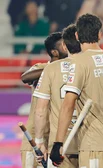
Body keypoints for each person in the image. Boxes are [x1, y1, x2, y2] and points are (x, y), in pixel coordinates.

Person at [49, 13, 103, 168]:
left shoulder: (79, 63)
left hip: (93, 142)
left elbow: (68, 104)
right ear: (100, 35)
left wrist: (58, 143)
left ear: (76, 35)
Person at [33, 24, 81, 168]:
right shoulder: (89, 66)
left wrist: (39, 141)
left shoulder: (51, 69)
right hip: (89, 141)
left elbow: (40, 110)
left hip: (59, 144)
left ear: (65, 46)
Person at [20, 32, 68, 168]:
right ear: (54, 52)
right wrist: (52, 69)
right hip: (34, 136)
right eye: (63, 45)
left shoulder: (71, 69)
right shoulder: (41, 67)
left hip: (56, 136)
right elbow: (25, 78)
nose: (67, 47)